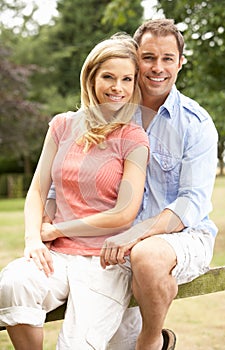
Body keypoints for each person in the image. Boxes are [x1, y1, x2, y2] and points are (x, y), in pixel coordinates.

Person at [0, 35, 149, 349]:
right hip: (57, 256)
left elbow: (124, 212)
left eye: (127, 79)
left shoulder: (134, 138)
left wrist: (57, 228)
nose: (117, 87)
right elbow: (38, 190)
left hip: (104, 262)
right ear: (91, 77)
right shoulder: (62, 125)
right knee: (13, 283)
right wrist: (33, 240)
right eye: (108, 76)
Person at [99, 19, 218, 350]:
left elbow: (190, 204)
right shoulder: (113, 112)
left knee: (147, 257)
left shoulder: (196, 124)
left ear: (181, 62)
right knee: (105, 337)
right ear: (135, 58)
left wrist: (134, 234)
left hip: (184, 235)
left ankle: (151, 342)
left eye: (168, 58)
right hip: (120, 237)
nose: (157, 67)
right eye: (149, 57)